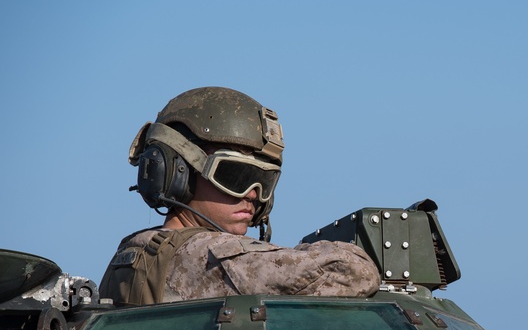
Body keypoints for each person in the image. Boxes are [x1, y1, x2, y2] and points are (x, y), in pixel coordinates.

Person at [99, 87, 380, 305]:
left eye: (264, 182)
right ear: (177, 173)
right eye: (235, 177)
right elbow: (354, 272)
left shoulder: (131, 252)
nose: (253, 195)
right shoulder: (215, 256)